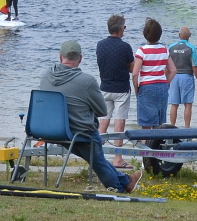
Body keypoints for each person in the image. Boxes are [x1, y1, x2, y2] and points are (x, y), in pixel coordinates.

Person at [39, 40, 143, 193]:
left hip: (49, 129)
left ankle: (127, 181)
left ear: (60, 57)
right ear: (80, 59)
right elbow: (102, 111)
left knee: (94, 155)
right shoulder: (87, 81)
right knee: (95, 152)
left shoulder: (46, 75)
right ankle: (120, 186)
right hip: (78, 132)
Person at [96, 14, 134, 168]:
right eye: (124, 27)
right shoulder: (125, 46)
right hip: (121, 89)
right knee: (119, 123)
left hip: (104, 87)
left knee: (103, 122)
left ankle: (97, 156)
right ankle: (118, 158)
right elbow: (131, 68)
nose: (124, 30)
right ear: (119, 29)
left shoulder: (100, 44)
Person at [132, 18, 173, 129]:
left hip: (147, 86)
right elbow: (173, 70)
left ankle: (145, 145)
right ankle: (156, 146)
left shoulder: (142, 51)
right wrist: (166, 83)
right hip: (162, 86)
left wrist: (137, 90)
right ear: (160, 34)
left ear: (145, 33)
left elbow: (135, 74)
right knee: (158, 124)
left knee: (146, 124)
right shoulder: (164, 50)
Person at [167, 27, 197, 129]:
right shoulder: (191, 48)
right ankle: (186, 128)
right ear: (190, 36)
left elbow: (167, 66)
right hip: (187, 77)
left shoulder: (171, 47)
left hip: (174, 77)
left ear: (179, 35)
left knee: (174, 104)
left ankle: (172, 128)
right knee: (188, 104)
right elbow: (195, 66)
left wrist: (167, 80)